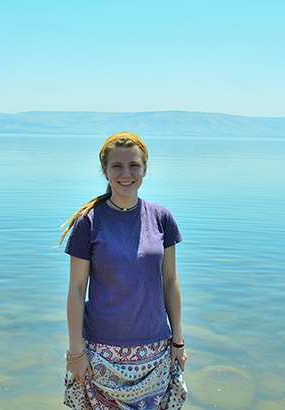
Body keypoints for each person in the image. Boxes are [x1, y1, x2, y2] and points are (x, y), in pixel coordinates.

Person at [58, 132, 187, 409]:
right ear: (105, 170)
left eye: (134, 166)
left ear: (145, 169)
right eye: (117, 166)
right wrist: (75, 353)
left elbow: (169, 281)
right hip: (100, 352)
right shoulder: (89, 221)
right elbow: (77, 290)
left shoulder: (161, 217)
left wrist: (177, 341)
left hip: (155, 350)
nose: (126, 173)